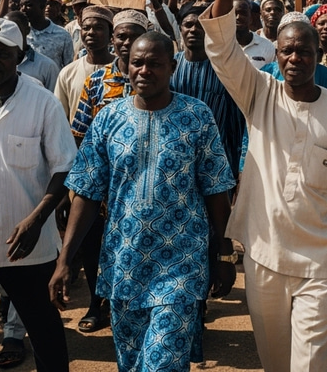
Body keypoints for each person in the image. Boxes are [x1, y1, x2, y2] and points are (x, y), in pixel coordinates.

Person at [201, 0, 327, 372]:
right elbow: (220, 49)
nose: (295, 58)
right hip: (263, 252)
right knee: (274, 361)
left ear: (318, 56)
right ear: (276, 54)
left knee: (309, 364)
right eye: (287, 51)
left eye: (304, 51)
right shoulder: (259, 93)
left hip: (321, 259)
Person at [50, 32, 235, 372]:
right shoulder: (107, 119)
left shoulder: (197, 115)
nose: (144, 71)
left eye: (155, 64)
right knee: (133, 364)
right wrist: (65, 260)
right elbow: (87, 193)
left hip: (182, 264)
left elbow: (216, 190)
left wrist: (223, 253)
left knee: (163, 363)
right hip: (124, 263)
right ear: (126, 65)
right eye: (137, 62)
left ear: (172, 68)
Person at [0, 18, 76, 372]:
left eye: (1, 53)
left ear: (20, 55)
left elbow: (65, 166)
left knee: (47, 340)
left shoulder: (43, 103)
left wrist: (38, 218)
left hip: (30, 249)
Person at [70, 9, 149, 332]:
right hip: (102, 188)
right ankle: (96, 303)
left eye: (133, 36)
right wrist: (80, 187)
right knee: (94, 248)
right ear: (113, 40)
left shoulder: (153, 75)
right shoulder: (97, 80)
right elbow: (79, 133)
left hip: (143, 186)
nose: (126, 42)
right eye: (121, 36)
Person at [171, 6, 247, 186]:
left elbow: (236, 122)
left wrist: (237, 167)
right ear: (180, 29)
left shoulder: (224, 69)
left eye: (199, 25)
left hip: (217, 162)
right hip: (174, 160)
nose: (193, 30)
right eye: (188, 25)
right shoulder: (170, 66)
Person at [54, 5, 115, 123]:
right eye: (86, 28)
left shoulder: (124, 70)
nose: (91, 32)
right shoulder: (68, 72)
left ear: (110, 33)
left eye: (99, 28)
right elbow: (59, 118)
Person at [5, 10, 59, 91]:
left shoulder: (47, 66)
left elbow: (53, 99)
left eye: (15, 29)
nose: (10, 33)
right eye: (6, 30)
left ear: (27, 30)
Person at [20, 0, 74, 70]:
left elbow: (68, 67)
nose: (23, 9)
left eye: (29, 5)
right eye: (21, 5)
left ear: (42, 6)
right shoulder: (20, 32)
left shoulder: (63, 35)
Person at [233, 0, 276, 69]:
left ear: (251, 18)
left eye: (243, 13)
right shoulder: (223, 45)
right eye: (234, 13)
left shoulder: (267, 47)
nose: (238, 17)